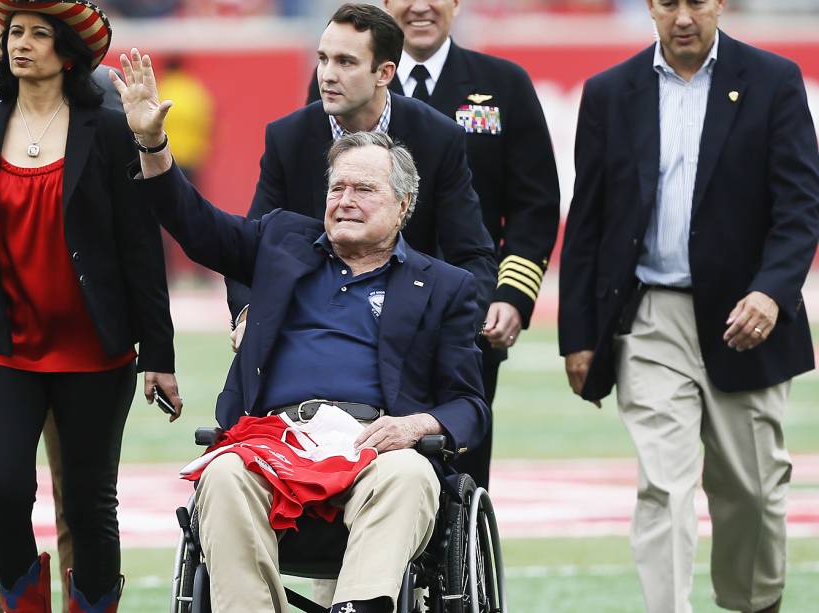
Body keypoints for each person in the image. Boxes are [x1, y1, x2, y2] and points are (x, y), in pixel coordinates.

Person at [111, 47, 489, 613]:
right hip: (274, 439)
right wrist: (152, 145)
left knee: (410, 473)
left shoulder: (442, 285)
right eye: (338, 188)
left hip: (375, 446)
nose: (346, 201)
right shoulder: (280, 242)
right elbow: (194, 225)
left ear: (404, 204)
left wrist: (415, 425)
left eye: (365, 190)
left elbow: (468, 405)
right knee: (223, 475)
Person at [558, 1, 819, 612]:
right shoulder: (609, 92)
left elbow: (800, 208)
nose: (683, 16)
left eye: (696, 1)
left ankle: (753, 603)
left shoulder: (773, 82)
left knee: (752, 491)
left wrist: (770, 292)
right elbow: (588, 223)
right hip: (650, 319)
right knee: (664, 486)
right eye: (668, 1)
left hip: (746, 321)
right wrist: (579, 335)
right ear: (650, 6)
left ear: (719, 4)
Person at [0, 2, 180, 611]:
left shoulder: (108, 130)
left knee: (91, 504)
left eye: (39, 34)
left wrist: (160, 353)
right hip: (3, 350)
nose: (21, 44)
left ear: (67, 52)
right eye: (15, 32)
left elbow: (140, 248)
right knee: (6, 491)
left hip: (95, 351)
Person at [225, 2, 496, 346]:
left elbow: (472, 255)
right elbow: (250, 247)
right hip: (308, 332)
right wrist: (249, 313)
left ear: (384, 73)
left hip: (411, 335)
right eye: (323, 59)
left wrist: (446, 331)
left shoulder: (438, 136)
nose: (327, 75)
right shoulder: (287, 137)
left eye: (346, 62)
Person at [382, 0, 560, 489]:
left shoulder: (504, 84)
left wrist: (512, 295)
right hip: (369, 313)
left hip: (468, 315)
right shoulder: (355, 81)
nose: (420, 6)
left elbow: (535, 203)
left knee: (461, 470)